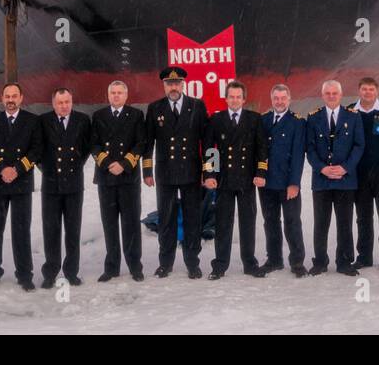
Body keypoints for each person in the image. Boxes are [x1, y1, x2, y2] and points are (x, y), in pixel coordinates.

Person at [144, 66, 209, 279]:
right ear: (164, 85)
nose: (173, 87)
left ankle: (193, 263)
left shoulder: (197, 106)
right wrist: (147, 171)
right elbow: (147, 143)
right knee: (166, 219)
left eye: (177, 83)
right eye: (169, 83)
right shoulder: (154, 108)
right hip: (166, 173)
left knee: (193, 219)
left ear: (183, 84)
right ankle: (166, 263)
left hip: (191, 173)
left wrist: (210, 173)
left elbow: (209, 143)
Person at [203, 80, 268, 279]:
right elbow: (210, 149)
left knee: (248, 222)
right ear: (226, 98)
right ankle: (220, 265)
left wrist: (261, 173)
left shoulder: (254, 119)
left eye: (238, 97)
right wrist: (210, 175)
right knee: (223, 223)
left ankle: (250, 263)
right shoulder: (216, 119)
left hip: (247, 179)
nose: (234, 100)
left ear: (244, 99)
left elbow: (261, 149)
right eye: (231, 96)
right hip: (224, 180)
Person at [0, 82, 43, 291]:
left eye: (14, 96)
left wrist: (16, 169)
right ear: (2, 97)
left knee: (21, 231)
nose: (10, 100)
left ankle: (25, 274)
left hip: (22, 182)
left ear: (21, 98)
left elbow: (36, 150)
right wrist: (2, 169)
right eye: (7, 96)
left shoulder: (32, 121)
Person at [305, 79, 365, 275]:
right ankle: (320, 262)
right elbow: (310, 148)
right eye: (328, 93)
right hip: (322, 180)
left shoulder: (353, 117)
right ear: (323, 95)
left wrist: (345, 168)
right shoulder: (313, 118)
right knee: (321, 224)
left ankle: (345, 262)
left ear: (341, 95)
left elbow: (359, 145)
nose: (331, 96)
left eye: (335, 93)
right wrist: (321, 168)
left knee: (345, 223)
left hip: (345, 180)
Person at [91, 80, 147, 282]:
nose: (116, 96)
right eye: (112, 92)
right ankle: (112, 267)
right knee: (110, 224)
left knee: (131, 223)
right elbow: (94, 144)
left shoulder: (136, 115)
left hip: (128, 177)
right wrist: (107, 163)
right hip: (106, 178)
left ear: (126, 95)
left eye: (119, 93)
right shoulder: (98, 116)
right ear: (108, 95)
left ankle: (135, 266)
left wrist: (124, 164)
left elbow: (141, 143)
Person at [37, 87, 92, 287]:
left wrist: (75, 165)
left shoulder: (83, 121)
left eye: (67, 102)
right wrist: (48, 170)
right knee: (51, 230)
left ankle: (71, 271)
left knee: (73, 230)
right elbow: (38, 151)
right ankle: (50, 272)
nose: (64, 106)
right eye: (60, 102)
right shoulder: (43, 121)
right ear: (53, 103)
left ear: (72, 101)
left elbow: (86, 148)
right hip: (51, 185)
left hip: (74, 185)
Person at [259, 83, 307, 277]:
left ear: (289, 99)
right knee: (270, 221)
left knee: (292, 222)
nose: (279, 102)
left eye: (282, 98)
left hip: (288, 183)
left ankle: (297, 262)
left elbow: (298, 156)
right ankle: (274, 259)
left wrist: (294, 183)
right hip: (267, 182)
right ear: (271, 100)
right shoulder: (263, 120)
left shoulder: (297, 122)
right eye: (276, 98)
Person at [350, 77, 379, 273]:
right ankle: (364, 257)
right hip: (359, 172)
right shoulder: (350, 112)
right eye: (364, 89)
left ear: (377, 91)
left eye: (371, 89)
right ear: (359, 91)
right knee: (363, 217)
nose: (367, 93)